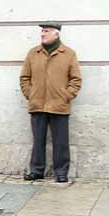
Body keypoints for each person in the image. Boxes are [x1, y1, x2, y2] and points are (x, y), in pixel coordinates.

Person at [20, 23, 82, 184]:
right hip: (38, 104)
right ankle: (36, 170)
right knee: (38, 140)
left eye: (46, 31)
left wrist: (66, 95)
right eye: (42, 31)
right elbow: (24, 78)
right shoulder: (33, 53)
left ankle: (61, 172)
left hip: (59, 105)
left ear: (56, 34)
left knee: (61, 142)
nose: (42, 34)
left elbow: (76, 79)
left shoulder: (68, 54)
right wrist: (30, 94)